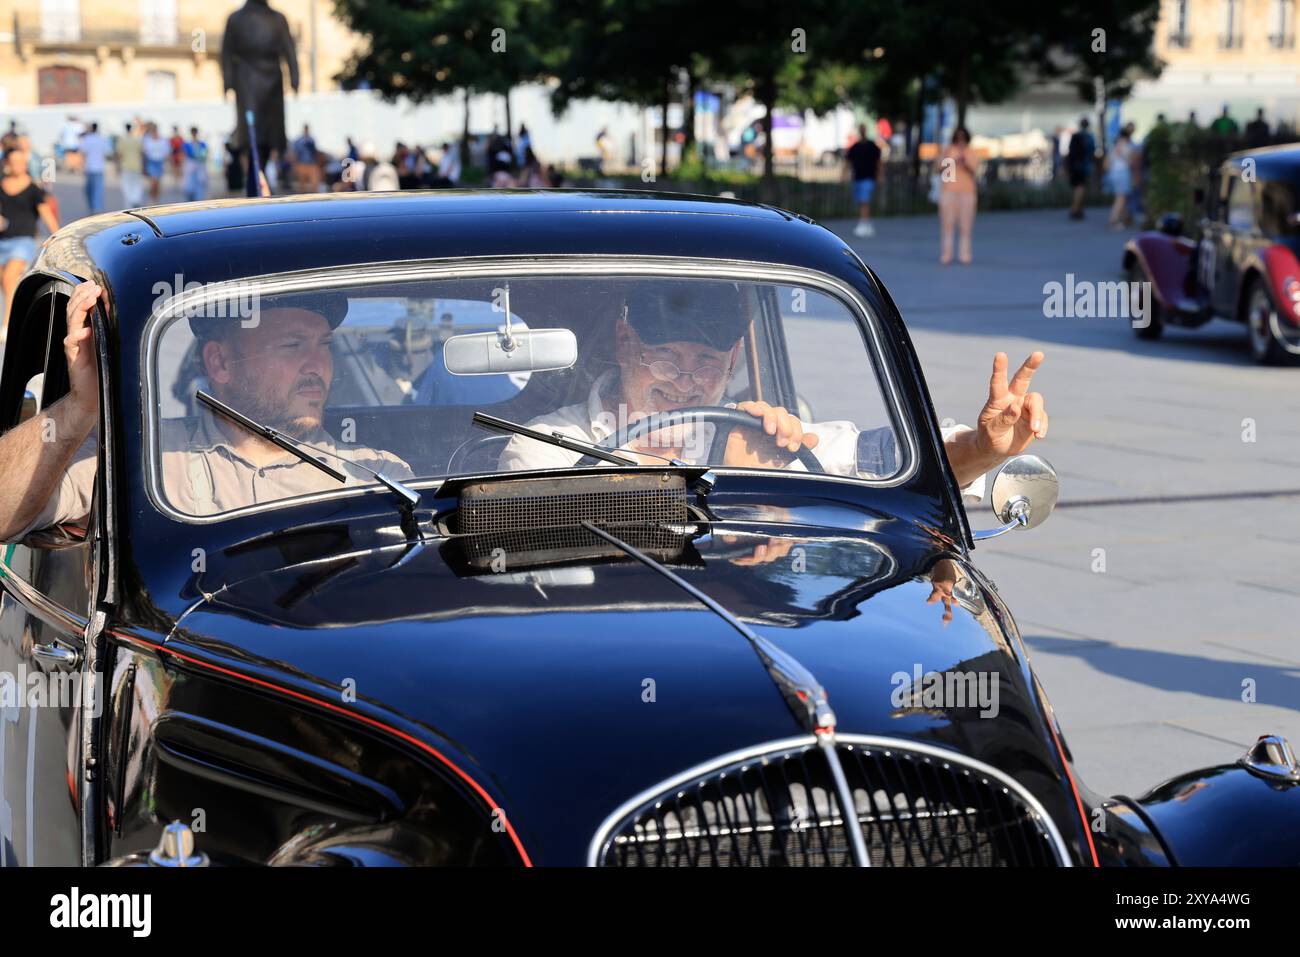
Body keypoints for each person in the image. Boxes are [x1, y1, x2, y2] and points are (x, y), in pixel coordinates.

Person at [498, 284, 1048, 501]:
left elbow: (884, 461)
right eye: (665, 355)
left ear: (733, 361)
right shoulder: (547, 447)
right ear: (624, 341)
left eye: (708, 363)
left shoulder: (757, 437)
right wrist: (740, 490)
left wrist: (980, 449)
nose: (685, 380)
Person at [0, 283, 414, 541]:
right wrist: (80, 406)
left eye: (324, 345)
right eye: (292, 345)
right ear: (219, 363)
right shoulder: (143, 460)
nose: (316, 366)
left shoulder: (379, 477)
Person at [0, 145, 60, 342]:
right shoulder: (2, 183)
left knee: (10, 278)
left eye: (22, 162)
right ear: (7, 163)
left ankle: (8, 324)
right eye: (15, 161)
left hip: (23, 239)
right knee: (6, 283)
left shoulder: (33, 188)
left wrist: (57, 235)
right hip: (3, 240)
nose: (19, 165)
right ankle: (19, 315)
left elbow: (45, 213)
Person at [938, 126, 978, 265]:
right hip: (949, 191)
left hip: (967, 192)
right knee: (947, 224)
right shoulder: (948, 150)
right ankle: (946, 254)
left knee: (965, 225)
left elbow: (973, 170)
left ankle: (964, 254)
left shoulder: (971, 152)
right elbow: (940, 167)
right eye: (958, 137)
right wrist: (954, 159)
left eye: (963, 137)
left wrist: (964, 161)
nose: (960, 140)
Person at [844, 123, 882, 238]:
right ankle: (865, 222)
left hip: (868, 177)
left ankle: (864, 223)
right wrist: (844, 174)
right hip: (858, 177)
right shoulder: (855, 146)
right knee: (861, 201)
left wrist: (880, 175)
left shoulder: (872, 146)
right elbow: (848, 161)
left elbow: (879, 162)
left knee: (864, 200)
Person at [1066, 117, 1095, 220]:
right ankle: (1075, 208)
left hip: (1076, 166)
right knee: (1080, 187)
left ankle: (1077, 208)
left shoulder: (1077, 136)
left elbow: (1070, 153)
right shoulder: (1089, 137)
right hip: (1085, 166)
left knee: (1078, 187)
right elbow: (1092, 152)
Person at [1105, 127, 1134, 228]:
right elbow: (1130, 162)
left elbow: (1107, 164)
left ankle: (1125, 218)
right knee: (1121, 197)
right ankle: (1114, 219)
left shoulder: (1114, 146)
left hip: (1114, 173)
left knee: (1121, 197)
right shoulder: (1127, 146)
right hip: (1123, 173)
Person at [80, 122, 109, 214]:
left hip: (90, 168)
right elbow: (107, 152)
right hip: (99, 168)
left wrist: (82, 166)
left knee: (89, 190)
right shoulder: (102, 139)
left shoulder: (87, 139)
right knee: (98, 189)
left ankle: (93, 207)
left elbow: (82, 153)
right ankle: (97, 207)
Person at [117, 122, 145, 208]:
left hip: (126, 165)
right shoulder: (137, 140)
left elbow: (120, 154)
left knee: (127, 185)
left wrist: (117, 166)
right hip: (137, 165)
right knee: (136, 184)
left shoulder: (122, 140)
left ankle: (129, 203)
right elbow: (141, 153)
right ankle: (136, 199)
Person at [143, 123, 170, 203]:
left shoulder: (162, 139)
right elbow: (145, 151)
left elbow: (166, 151)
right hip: (151, 162)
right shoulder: (147, 139)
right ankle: (152, 198)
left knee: (158, 183)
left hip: (159, 162)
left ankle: (156, 199)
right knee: (153, 182)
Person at [181, 127, 210, 202]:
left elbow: (204, 154)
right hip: (191, 166)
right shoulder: (187, 144)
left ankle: (199, 198)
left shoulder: (202, 144)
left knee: (200, 183)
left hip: (199, 166)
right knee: (190, 184)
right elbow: (188, 154)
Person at [291, 124, 319, 193]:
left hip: (311, 164)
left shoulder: (311, 140)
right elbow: (295, 153)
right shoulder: (299, 140)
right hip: (302, 164)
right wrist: (295, 165)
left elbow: (315, 152)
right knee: (302, 184)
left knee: (314, 183)